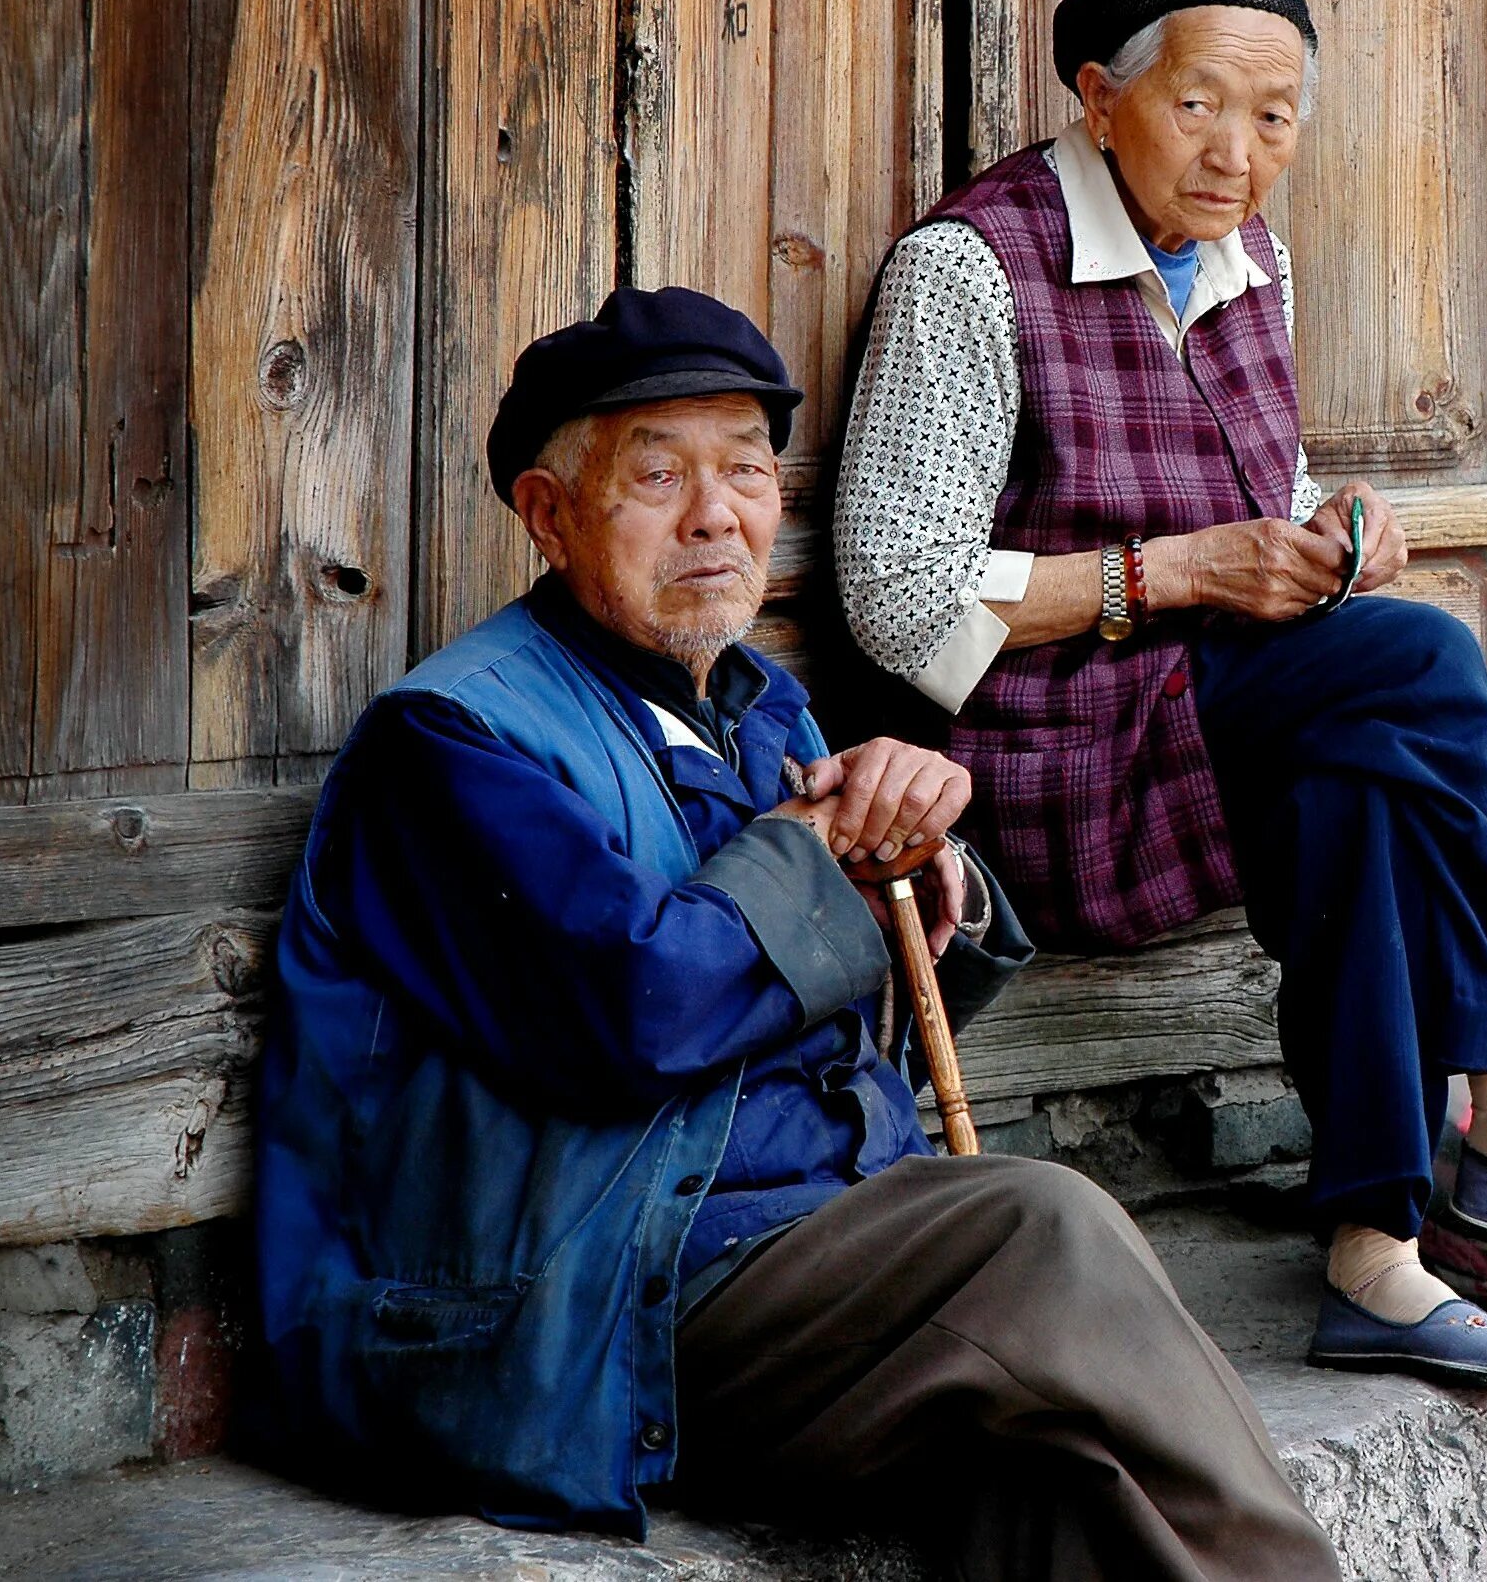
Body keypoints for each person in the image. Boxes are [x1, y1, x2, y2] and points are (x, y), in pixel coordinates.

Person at [250, 286, 1340, 1581]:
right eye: (658, 475)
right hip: (583, 1310)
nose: (715, 515)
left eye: (748, 471)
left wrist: (927, 871)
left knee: (1060, 1468)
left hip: (806, 1247)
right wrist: (821, 849)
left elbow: (835, 1003)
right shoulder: (453, 741)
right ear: (548, 514)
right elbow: (632, 1016)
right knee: (1042, 1230)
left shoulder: (763, 709)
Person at [830, 0, 1487, 1388]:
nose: (1238, 155)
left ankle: (1373, 1252)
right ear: (1098, 97)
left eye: (1274, 119)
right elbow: (895, 594)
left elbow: (1263, 491)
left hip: (1219, 708)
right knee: (1422, 662)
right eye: (1200, 106)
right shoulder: (972, 267)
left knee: (1365, 777)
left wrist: (1336, 529)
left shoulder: (1251, 255)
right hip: (1045, 752)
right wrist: (1180, 571)